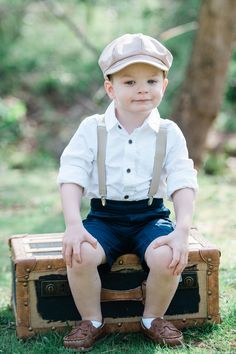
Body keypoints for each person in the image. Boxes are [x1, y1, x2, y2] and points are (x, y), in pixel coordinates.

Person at [57, 33, 198, 351]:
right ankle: (91, 321)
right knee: (79, 254)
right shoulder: (93, 128)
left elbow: (182, 180)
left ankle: (153, 318)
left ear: (164, 84)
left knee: (167, 256)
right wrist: (73, 225)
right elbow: (72, 174)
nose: (142, 89)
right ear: (111, 88)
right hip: (105, 215)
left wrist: (182, 230)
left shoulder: (169, 132)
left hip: (151, 215)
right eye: (129, 82)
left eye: (151, 80)